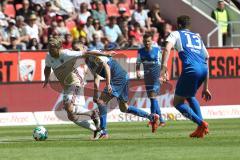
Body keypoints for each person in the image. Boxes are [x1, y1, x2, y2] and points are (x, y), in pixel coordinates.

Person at [43, 37, 112, 138]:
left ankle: (93, 114)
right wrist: (46, 79)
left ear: (58, 48)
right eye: (49, 47)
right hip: (67, 86)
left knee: (68, 107)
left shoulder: (67, 54)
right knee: (71, 116)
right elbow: (47, 67)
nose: (49, 49)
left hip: (75, 82)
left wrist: (105, 54)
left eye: (52, 48)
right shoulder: (48, 56)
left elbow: (87, 52)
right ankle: (96, 128)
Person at [85, 52, 160, 139]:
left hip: (117, 78)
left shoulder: (93, 55)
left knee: (102, 102)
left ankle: (103, 132)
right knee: (124, 108)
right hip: (123, 76)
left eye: (78, 49)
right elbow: (97, 77)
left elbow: (107, 67)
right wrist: (95, 93)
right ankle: (152, 117)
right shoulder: (88, 61)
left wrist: (108, 84)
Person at [160, 15, 212, 138]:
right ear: (189, 26)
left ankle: (201, 124)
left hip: (191, 69)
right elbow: (207, 57)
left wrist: (163, 67)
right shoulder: (197, 37)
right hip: (204, 69)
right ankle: (201, 128)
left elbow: (167, 49)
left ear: (178, 25)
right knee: (189, 96)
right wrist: (206, 87)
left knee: (178, 103)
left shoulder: (176, 34)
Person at [136, 33, 166, 127]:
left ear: (152, 41)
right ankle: (161, 120)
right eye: (145, 41)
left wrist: (164, 74)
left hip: (156, 76)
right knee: (153, 99)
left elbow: (163, 64)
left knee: (152, 97)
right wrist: (137, 71)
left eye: (148, 41)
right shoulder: (140, 51)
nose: (147, 43)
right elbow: (138, 62)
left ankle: (153, 119)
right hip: (147, 77)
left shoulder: (157, 50)